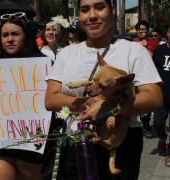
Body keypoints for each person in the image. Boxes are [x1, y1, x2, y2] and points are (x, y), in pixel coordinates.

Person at [45, 0, 162, 180]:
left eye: (99, 7)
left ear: (112, 11)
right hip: (76, 142)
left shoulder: (133, 51)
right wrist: (88, 103)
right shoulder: (67, 53)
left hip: (121, 141)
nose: (92, 15)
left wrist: (108, 107)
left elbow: (154, 98)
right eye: (85, 10)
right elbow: (51, 99)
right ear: (79, 15)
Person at [0, 12, 45, 180]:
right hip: (0, 140)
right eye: (5, 35)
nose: (9, 39)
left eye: (15, 34)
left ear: (26, 36)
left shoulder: (46, 66)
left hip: (33, 140)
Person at [152, 26, 170, 165]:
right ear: (167, 34)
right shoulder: (160, 50)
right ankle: (162, 138)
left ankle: (169, 155)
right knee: (157, 123)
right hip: (162, 96)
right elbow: (152, 69)